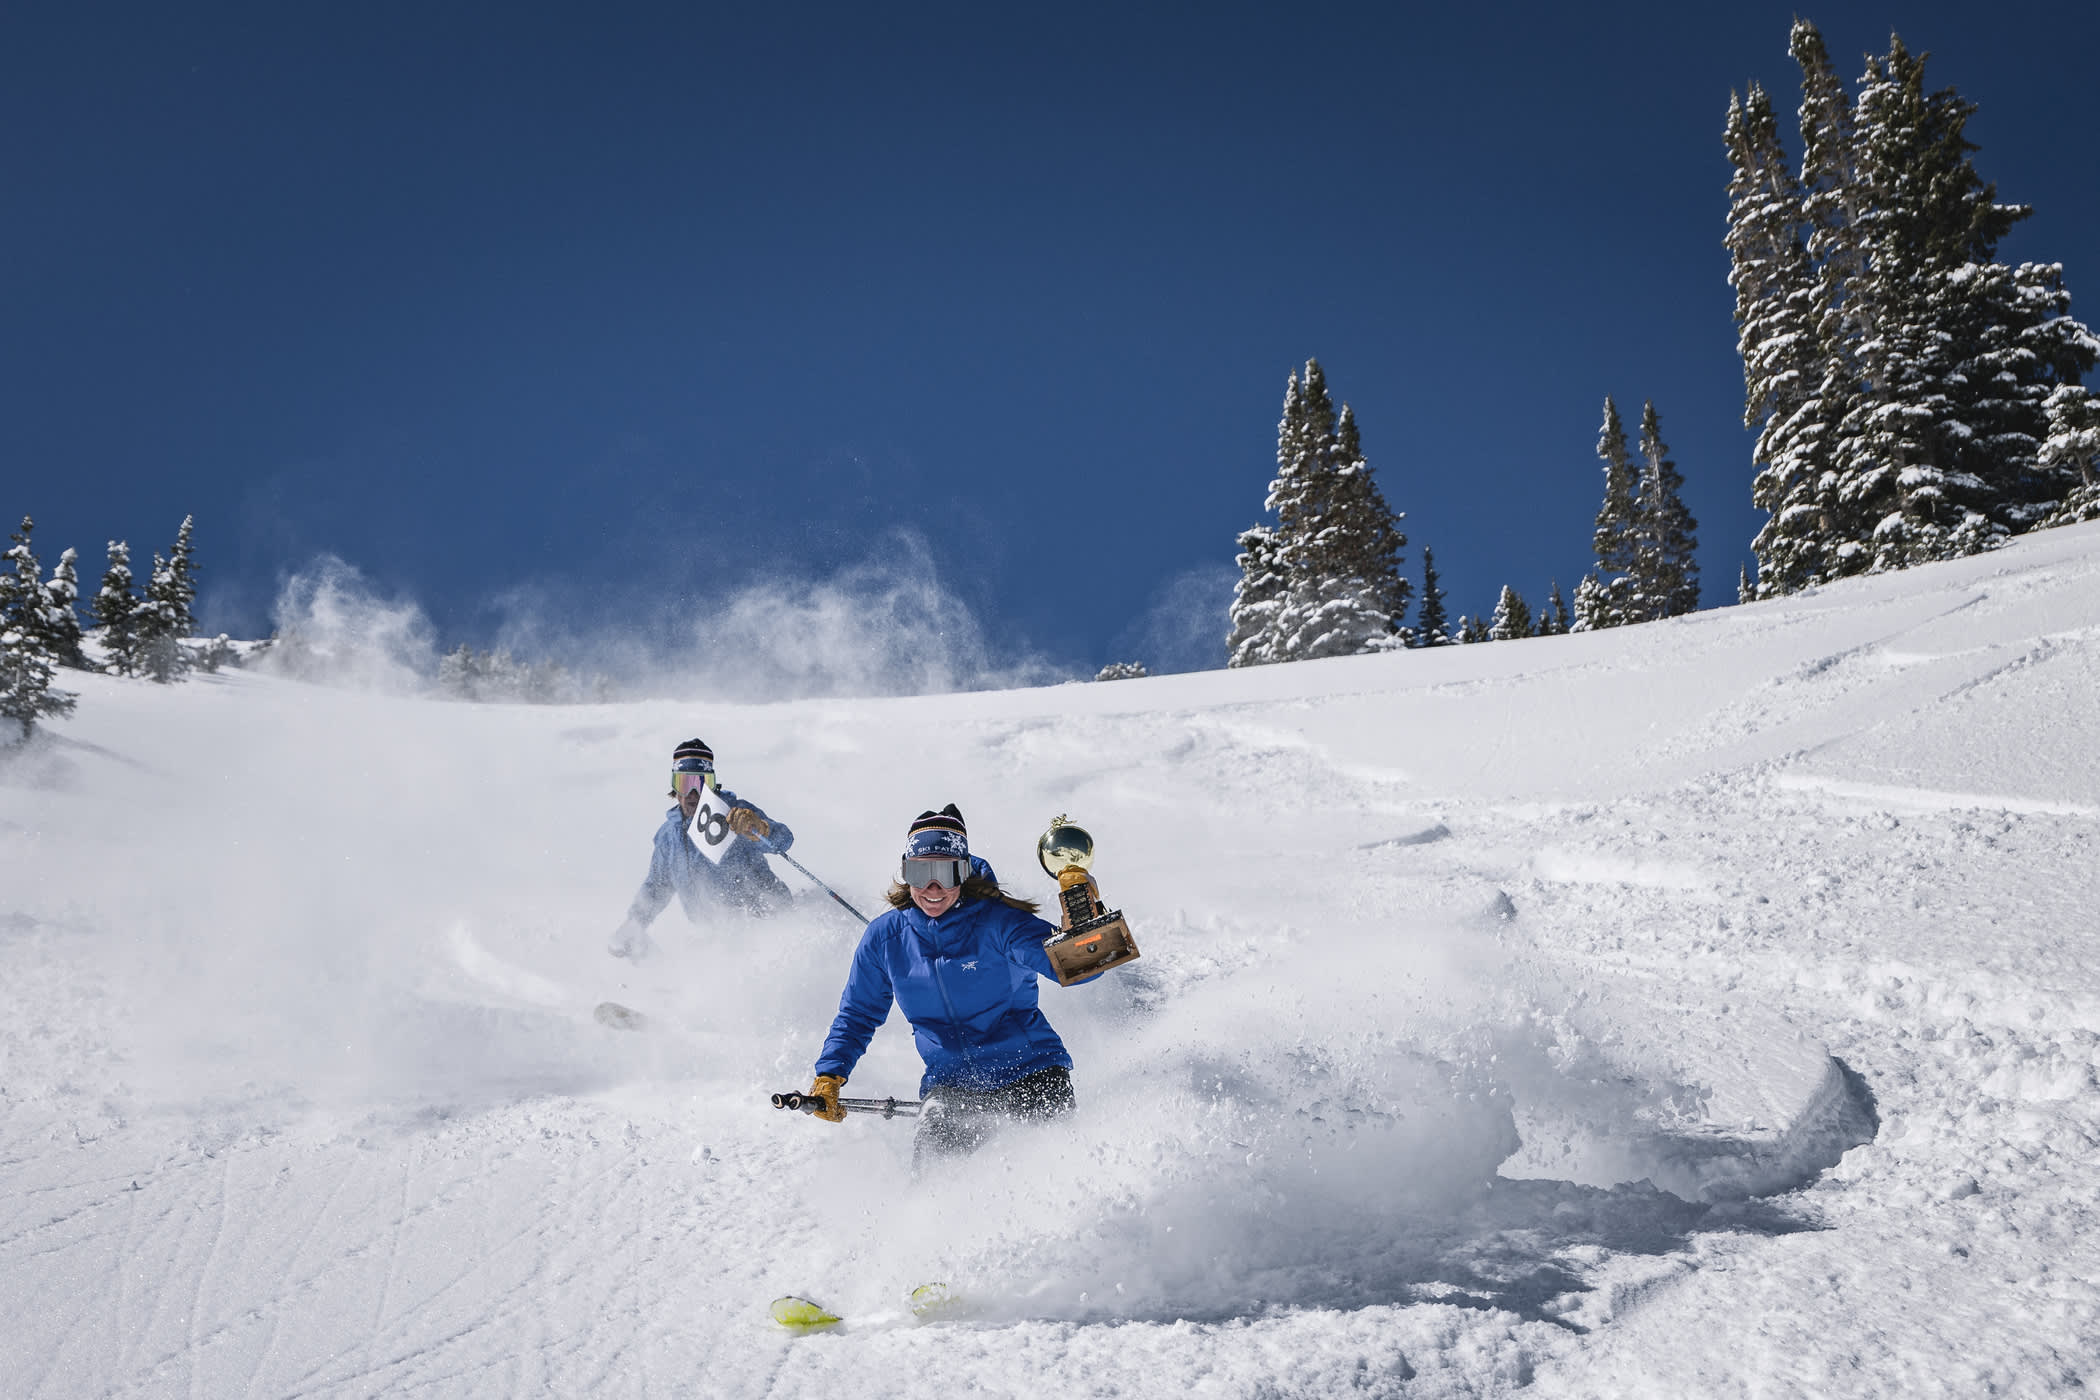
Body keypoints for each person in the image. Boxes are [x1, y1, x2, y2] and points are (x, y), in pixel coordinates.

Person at [801, 804, 1096, 1170]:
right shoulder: (885, 938)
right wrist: (830, 1074)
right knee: (935, 1182)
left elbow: (1082, 968)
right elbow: (858, 1014)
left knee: (1055, 1179)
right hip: (952, 1086)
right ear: (905, 873)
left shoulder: (1000, 924)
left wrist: (1084, 920)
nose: (933, 887)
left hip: (1031, 1075)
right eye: (920, 872)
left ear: (964, 872)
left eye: (945, 871)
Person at [607, 738, 794, 959]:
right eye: (685, 784)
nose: (693, 794)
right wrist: (635, 922)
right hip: (715, 936)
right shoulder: (669, 837)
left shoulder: (735, 815)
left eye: (701, 783)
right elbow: (656, 887)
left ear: (712, 784)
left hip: (765, 923)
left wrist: (760, 828)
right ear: (674, 789)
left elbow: (784, 839)